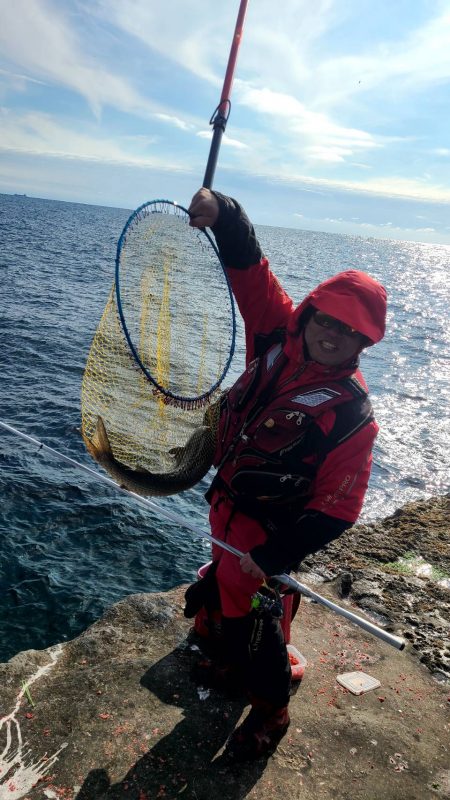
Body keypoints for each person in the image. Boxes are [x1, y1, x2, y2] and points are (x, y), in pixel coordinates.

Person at [184, 188, 387, 761]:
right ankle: (227, 663)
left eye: (350, 332)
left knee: (258, 627)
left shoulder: (351, 414)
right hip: (226, 509)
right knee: (226, 592)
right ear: (309, 313)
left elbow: (338, 508)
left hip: (270, 534)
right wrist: (223, 212)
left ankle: (271, 713)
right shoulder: (275, 333)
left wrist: (275, 555)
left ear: (365, 342)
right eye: (327, 320)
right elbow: (252, 273)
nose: (332, 335)